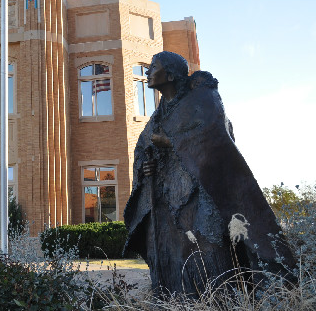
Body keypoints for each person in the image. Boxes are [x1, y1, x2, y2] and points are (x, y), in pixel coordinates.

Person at [123, 51, 296, 296]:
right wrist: (145, 168)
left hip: (202, 194)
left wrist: (172, 142)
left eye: (154, 66)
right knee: (172, 254)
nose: (148, 71)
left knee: (209, 250)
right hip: (168, 199)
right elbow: (143, 150)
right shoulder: (157, 116)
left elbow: (216, 138)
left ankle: (220, 300)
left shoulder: (202, 101)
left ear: (170, 74)